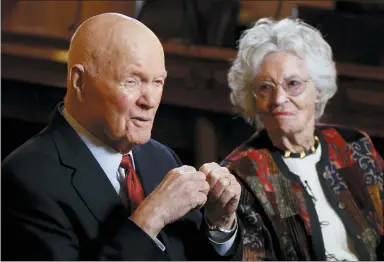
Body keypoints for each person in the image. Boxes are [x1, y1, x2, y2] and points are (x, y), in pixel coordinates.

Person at [1, 13, 243, 260]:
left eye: (157, 82)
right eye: (132, 81)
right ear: (80, 82)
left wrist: (219, 225)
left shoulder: (161, 157)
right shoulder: (25, 178)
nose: (149, 101)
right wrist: (151, 217)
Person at [222, 17, 383, 261]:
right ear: (252, 98)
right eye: (265, 87)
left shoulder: (353, 145)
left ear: (318, 90)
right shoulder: (242, 173)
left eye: (293, 84)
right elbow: (251, 256)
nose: (278, 99)